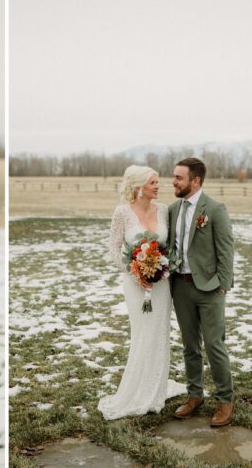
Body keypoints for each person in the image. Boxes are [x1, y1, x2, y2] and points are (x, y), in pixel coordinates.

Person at [99, 165, 184, 419]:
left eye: (158, 182)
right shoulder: (122, 213)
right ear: (138, 187)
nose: (159, 186)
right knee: (142, 333)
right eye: (153, 183)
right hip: (135, 284)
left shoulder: (164, 210)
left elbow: (169, 247)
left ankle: (155, 390)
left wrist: (161, 269)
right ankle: (135, 391)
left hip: (161, 284)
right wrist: (135, 270)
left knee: (159, 332)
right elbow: (114, 249)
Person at [167, 157, 236, 427]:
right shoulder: (173, 209)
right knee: (189, 346)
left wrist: (223, 284)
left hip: (209, 289)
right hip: (180, 287)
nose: (173, 181)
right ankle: (195, 395)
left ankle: (225, 400)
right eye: (173, 176)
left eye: (179, 178)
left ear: (195, 181)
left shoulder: (215, 209)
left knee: (215, 345)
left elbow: (226, 249)